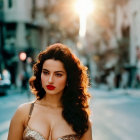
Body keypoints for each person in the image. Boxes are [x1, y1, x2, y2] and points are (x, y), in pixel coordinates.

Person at [8, 43, 92, 140]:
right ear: (40, 74)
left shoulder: (81, 119)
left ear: (69, 78)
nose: (50, 80)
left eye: (58, 74)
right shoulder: (23, 113)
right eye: (46, 73)